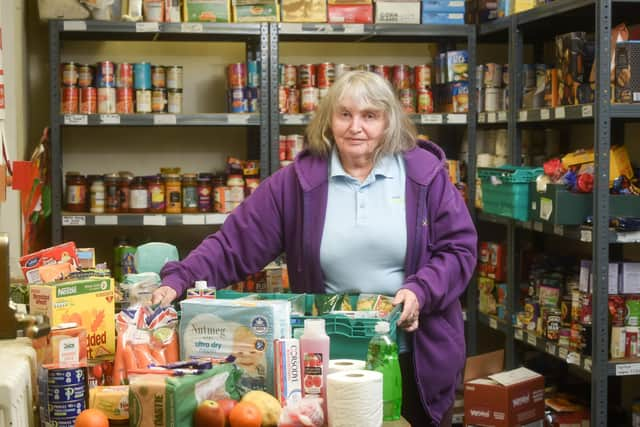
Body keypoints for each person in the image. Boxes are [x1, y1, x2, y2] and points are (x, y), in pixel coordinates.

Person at [152, 70, 477, 426]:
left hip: (414, 358)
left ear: (389, 122)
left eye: (370, 116)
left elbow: (458, 250)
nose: (356, 127)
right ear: (328, 119)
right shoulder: (298, 183)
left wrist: (421, 290)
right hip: (326, 360)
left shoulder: (423, 175)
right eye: (345, 114)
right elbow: (234, 244)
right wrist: (179, 279)